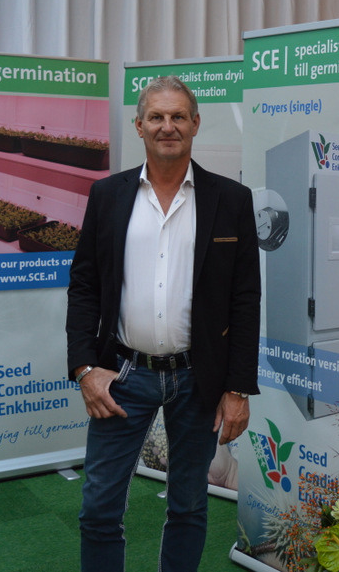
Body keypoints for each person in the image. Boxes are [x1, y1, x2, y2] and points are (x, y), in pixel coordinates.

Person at [66, 75, 260, 572]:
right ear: (139, 126)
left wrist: (238, 387)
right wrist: (85, 369)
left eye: (178, 116)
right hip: (122, 376)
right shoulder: (107, 195)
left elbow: (245, 300)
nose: (167, 126)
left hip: (200, 378)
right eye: (156, 117)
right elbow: (84, 285)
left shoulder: (231, 199)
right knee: (99, 507)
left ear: (195, 123)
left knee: (189, 505)